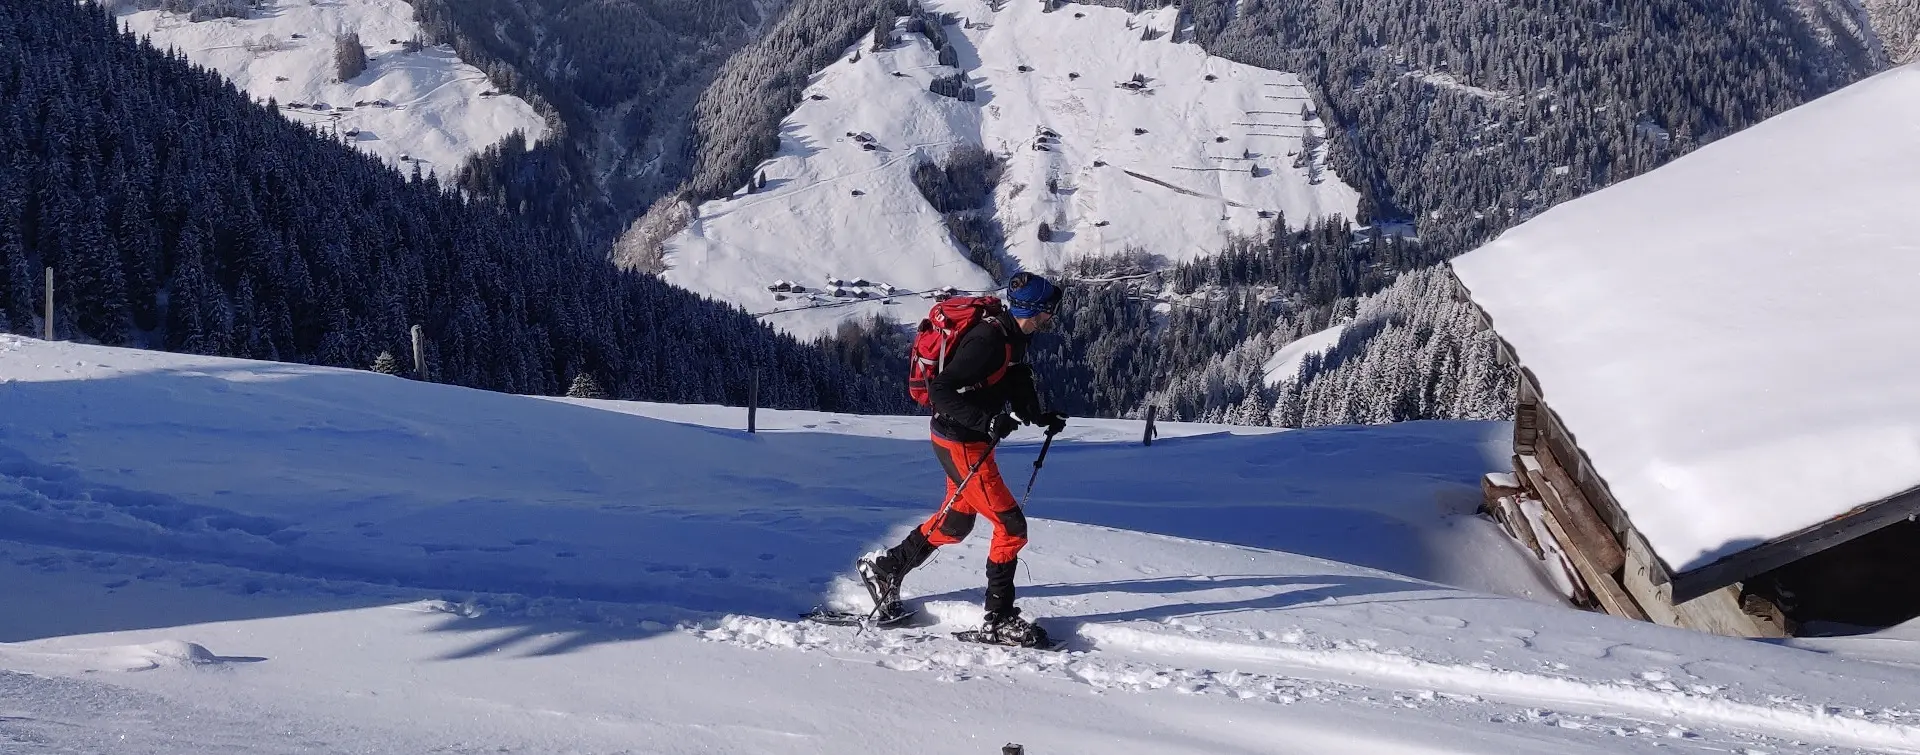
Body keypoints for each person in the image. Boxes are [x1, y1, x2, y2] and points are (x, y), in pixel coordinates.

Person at [858, 272, 1068, 647]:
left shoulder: (1014, 335)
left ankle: (885, 568)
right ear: (1033, 311)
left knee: (955, 525)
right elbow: (940, 390)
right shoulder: (988, 340)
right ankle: (998, 619)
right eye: (1048, 311)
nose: (1051, 317)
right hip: (962, 443)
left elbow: (1014, 378)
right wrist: (986, 420)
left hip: (964, 438)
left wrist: (1038, 415)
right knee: (1011, 526)